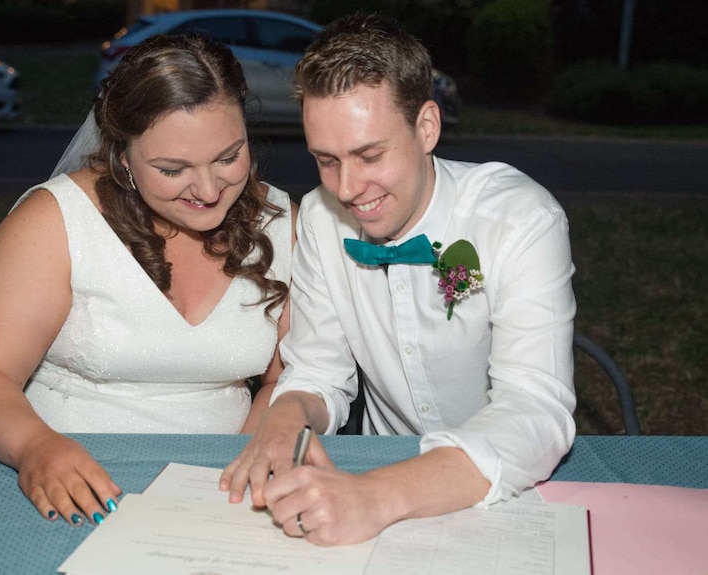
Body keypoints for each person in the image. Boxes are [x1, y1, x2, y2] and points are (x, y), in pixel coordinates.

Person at [220, 13, 577, 546]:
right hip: (373, 476)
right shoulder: (319, 218)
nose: (347, 188)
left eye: (369, 155)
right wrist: (288, 412)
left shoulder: (520, 218)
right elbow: (319, 369)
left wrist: (376, 497)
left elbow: (535, 409)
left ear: (426, 127)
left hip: (504, 484)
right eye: (326, 160)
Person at [0, 33, 295, 528]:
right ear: (123, 157)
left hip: (220, 487)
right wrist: (33, 446)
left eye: (228, 157)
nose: (209, 190)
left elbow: (286, 377)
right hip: (68, 478)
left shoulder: (284, 223)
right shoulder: (53, 221)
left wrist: (243, 460)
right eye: (173, 169)